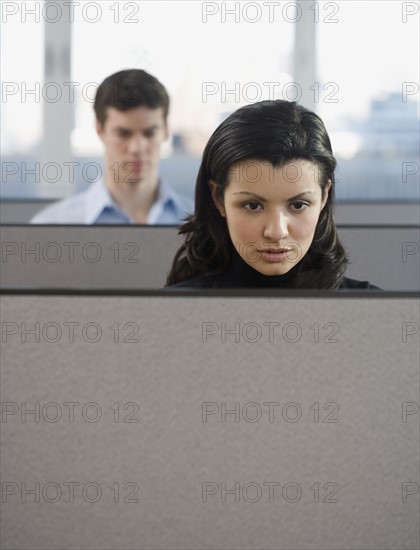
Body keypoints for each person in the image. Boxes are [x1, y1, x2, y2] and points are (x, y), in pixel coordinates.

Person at [165, 100, 380, 289]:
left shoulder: (375, 312)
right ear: (218, 198)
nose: (276, 232)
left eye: (298, 205)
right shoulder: (167, 314)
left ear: (324, 196)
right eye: (252, 205)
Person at [31, 69, 193, 224]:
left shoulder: (202, 227)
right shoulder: (52, 226)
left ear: (166, 130)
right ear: (100, 130)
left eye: (149, 133)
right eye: (123, 134)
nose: (137, 148)